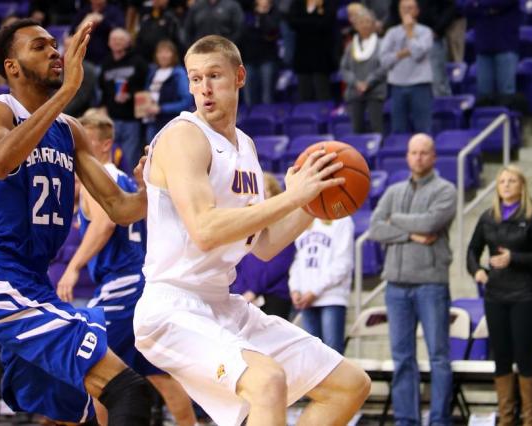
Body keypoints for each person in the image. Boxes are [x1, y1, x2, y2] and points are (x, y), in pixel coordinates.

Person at [133, 35, 371, 426]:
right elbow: (206, 230)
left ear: (240, 76)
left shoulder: (245, 146)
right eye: (195, 79)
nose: (204, 89)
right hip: (172, 306)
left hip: (222, 303)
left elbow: (264, 244)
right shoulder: (183, 136)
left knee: (349, 384)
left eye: (214, 76)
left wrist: (314, 202)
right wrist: (293, 198)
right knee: (267, 382)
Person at [0, 18, 152, 425]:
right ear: (12, 66)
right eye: (39, 46)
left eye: (54, 44)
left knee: (68, 415)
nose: (54, 52)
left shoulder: (70, 130)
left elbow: (120, 208)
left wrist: (154, 188)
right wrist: (67, 92)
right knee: (128, 390)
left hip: (37, 282)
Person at [56, 111, 197, 426]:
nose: (76, 150)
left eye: (85, 142)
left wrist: (73, 267)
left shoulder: (101, 180)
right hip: (140, 282)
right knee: (155, 370)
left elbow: (105, 224)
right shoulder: (121, 180)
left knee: (91, 363)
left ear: (105, 145)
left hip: (121, 284)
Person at [368, 133, 456, 426]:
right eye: (413, 152)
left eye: (423, 153)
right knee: (402, 357)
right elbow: (376, 227)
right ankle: (406, 420)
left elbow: (431, 223)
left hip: (431, 284)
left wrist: (396, 220)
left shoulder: (446, 190)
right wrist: (410, 233)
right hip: (396, 286)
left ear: (433, 157)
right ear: (407, 156)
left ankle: (440, 420)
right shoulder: (393, 191)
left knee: (439, 357)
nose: (417, 157)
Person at [467, 165, 532, 426]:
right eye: (502, 181)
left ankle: (530, 419)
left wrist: (514, 258)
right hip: (496, 295)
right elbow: (472, 251)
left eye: (512, 181)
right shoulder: (488, 217)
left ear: (522, 186)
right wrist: (477, 271)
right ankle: (506, 419)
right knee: (501, 358)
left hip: (526, 295)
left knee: (524, 357)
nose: (506, 185)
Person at [230, 173, 296, 320]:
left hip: (273, 296)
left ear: (275, 195)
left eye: (264, 191)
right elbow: (236, 263)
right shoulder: (246, 226)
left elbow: (277, 265)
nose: (260, 196)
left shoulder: (282, 226)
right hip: (243, 296)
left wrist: (253, 291)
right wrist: (239, 292)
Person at [288, 216, 354, 355]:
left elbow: (343, 263)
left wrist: (315, 291)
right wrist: (295, 289)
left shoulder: (342, 219)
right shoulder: (305, 220)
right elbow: (298, 261)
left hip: (331, 298)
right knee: (311, 356)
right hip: (306, 300)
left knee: (333, 355)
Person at [380, 0, 433, 134]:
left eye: (410, 8)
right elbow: (384, 60)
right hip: (397, 86)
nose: (407, 11)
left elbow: (418, 54)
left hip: (420, 84)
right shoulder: (391, 33)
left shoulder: (426, 32)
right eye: (404, 8)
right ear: (399, 11)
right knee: (398, 129)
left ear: (417, 11)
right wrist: (402, 53)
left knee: (423, 129)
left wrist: (410, 32)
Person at [99, 28, 148, 172]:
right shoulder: (106, 63)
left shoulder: (138, 61)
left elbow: (146, 89)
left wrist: (130, 95)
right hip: (111, 119)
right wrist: (102, 107)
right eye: (114, 39)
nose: (117, 42)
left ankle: (130, 188)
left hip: (131, 120)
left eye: (121, 39)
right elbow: (102, 90)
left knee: (129, 160)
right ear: (108, 43)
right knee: (109, 160)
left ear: (128, 42)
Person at [340, 6, 387, 134]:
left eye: (368, 22)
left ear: (373, 24)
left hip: (375, 92)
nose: (365, 25)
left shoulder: (382, 44)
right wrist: (356, 83)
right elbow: (344, 69)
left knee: (377, 128)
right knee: (356, 129)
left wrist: (368, 82)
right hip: (354, 93)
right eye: (361, 22)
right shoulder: (351, 46)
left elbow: (384, 66)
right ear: (356, 26)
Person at [464, 0, 519, 106]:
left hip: (505, 44)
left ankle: (507, 121)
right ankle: (486, 121)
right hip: (483, 45)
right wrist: (487, 7)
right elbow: (464, 6)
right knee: (484, 94)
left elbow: (502, 3)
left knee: (506, 93)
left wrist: (479, 5)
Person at [143, 40, 192, 142]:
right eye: (160, 52)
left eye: (167, 52)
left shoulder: (179, 73)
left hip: (171, 123)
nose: (163, 56)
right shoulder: (153, 72)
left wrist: (161, 109)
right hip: (152, 122)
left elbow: (186, 101)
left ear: (173, 55)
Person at [239, 0, 281, 106]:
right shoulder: (248, 15)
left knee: (267, 96)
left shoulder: (275, 14)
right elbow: (244, 34)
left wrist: (263, 15)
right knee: (249, 96)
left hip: (267, 59)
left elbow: (272, 31)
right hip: (249, 59)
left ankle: (267, 118)